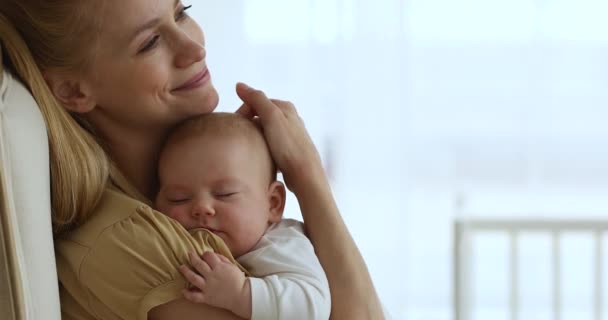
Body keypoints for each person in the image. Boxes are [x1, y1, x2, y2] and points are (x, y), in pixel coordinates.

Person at [0, 0, 384, 319]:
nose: (195, 48)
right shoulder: (133, 245)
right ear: (72, 90)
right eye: (150, 42)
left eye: (181, 11)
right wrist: (307, 174)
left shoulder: (175, 207)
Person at [155, 112, 331, 319]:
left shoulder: (281, 245)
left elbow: (312, 309)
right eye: (179, 198)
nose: (202, 208)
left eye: (225, 194)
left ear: (273, 203)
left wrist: (240, 293)